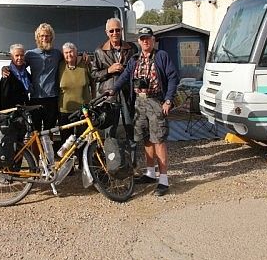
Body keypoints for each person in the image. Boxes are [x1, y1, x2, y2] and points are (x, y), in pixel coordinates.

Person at [112, 27, 179, 197]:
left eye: (148, 38)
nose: (145, 41)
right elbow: (124, 76)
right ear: (139, 41)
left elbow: (173, 77)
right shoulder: (135, 59)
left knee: (159, 140)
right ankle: (150, 173)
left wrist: (168, 100)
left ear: (153, 39)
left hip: (156, 101)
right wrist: (112, 90)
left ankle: (163, 180)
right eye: (142, 39)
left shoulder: (161, 56)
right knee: (146, 139)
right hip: (139, 103)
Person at [91, 18, 136, 150]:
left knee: (130, 128)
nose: (115, 33)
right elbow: (94, 75)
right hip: (109, 96)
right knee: (111, 131)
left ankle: (131, 163)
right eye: (111, 31)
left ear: (121, 30)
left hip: (127, 94)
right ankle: (111, 163)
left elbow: (137, 70)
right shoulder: (99, 51)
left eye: (117, 30)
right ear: (106, 32)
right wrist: (108, 70)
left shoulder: (131, 49)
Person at [23, 23, 63, 131]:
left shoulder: (57, 54)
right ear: (37, 38)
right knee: (35, 132)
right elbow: (18, 69)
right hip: (35, 98)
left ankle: (47, 149)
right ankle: (36, 149)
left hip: (52, 99)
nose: (44, 38)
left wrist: (83, 57)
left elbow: (71, 59)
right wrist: (5, 68)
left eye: (47, 35)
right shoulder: (30, 54)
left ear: (51, 37)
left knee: (49, 131)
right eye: (41, 36)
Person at [57, 42, 95, 155]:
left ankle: (83, 164)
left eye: (71, 52)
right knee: (66, 141)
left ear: (76, 52)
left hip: (83, 109)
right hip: (65, 109)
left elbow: (93, 84)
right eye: (66, 53)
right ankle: (68, 167)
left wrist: (93, 101)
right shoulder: (60, 65)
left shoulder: (85, 63)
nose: (69, 55)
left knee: (82, 139)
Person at [0, 43, 31, 109]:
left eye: (22, 55)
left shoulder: (25, 73)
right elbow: (3, 99)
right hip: (12, 113)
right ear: (11, 56)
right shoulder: (7, 74)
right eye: (17, 55)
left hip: (24, 111)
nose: (19, 58)